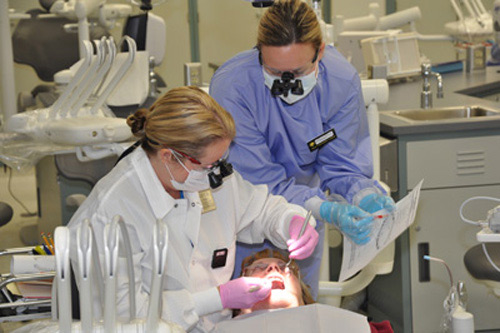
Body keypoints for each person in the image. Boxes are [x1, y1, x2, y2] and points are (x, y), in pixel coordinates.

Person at [67, 86, 319, 332]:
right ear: (168, 156)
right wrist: (216, 299)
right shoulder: (111, 213)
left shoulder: (202, 175)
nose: (218, 173)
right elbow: (124, 318)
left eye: (221, 161)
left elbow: (262, 210)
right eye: (210, 165)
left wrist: (290, 221)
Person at [210, 0, 395, 299]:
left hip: (306, 222)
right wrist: (324, 208)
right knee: (245, 311)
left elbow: (341, 162)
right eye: (273, 70)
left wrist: (364, 195)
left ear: (320, 52)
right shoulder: (234, 86)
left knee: (299, 303)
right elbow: (258, 180)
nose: (286, 84)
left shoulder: (340, 80)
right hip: (248, 217)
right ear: (259, 52)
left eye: (297, 72)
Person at [215, 249, 394, 333]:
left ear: (302, 294)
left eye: (284, 268)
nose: (272, 268)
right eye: (258, 268)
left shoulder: (354, 328)